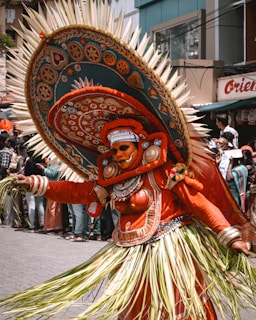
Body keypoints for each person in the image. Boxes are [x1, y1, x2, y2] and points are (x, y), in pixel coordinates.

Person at [1, 1, 256, 319]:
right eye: (115, 150)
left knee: (180, 310)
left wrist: (228, 235)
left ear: (141, 144)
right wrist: (36, 185)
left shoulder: (165, 171)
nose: (119, 155)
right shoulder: (114, 179)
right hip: (131, 257)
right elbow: (77, 192)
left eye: (124, 148)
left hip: (171, 254)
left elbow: (199, 203)